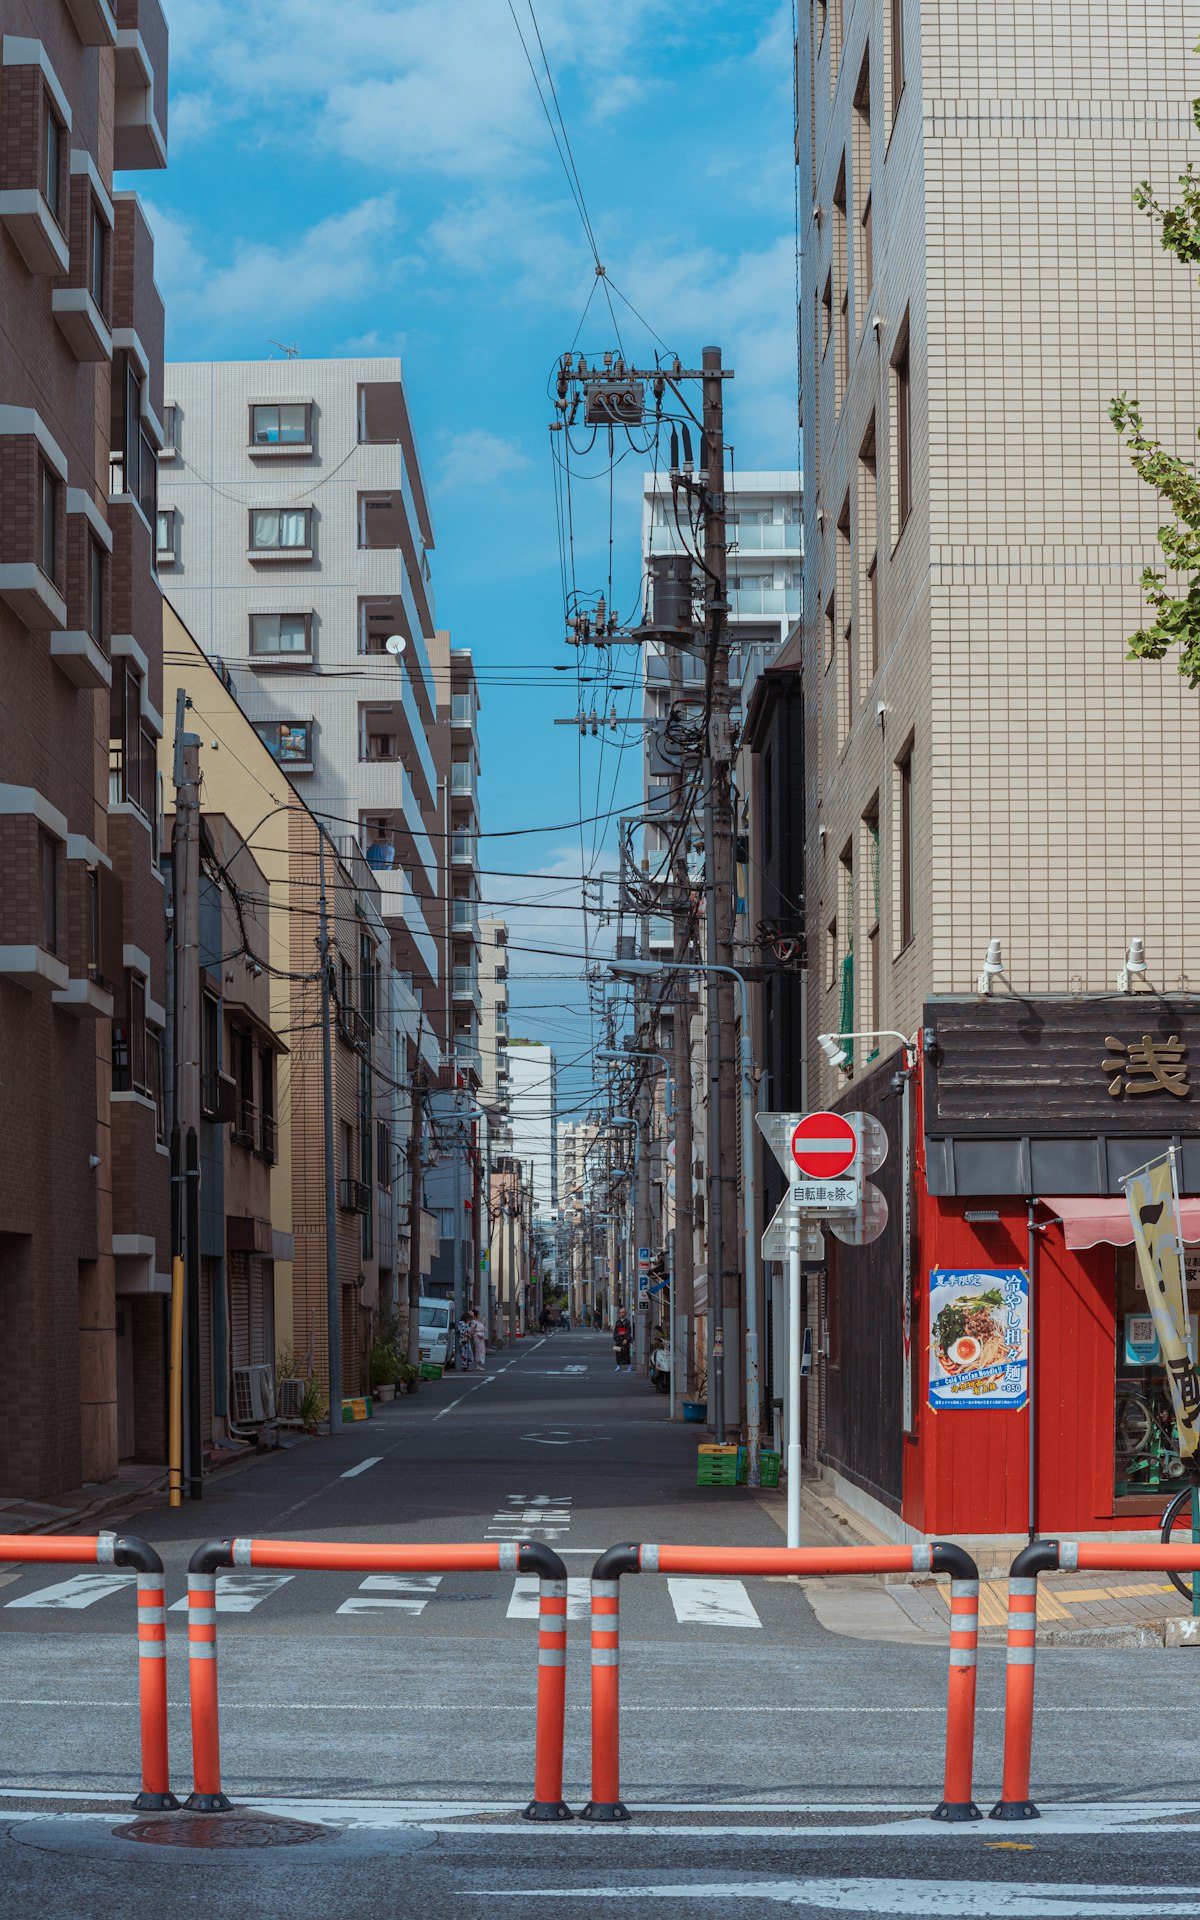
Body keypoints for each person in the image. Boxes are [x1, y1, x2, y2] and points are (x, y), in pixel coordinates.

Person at [469, 1307, 486, 1372]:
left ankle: (479, 1365)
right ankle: (478, 1365)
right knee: (478, 1350)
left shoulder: (477, 1321)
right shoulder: (473, 1322)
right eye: (478, 1314)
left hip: (480, 1336)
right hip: (477, 1336)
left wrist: (484, 1321)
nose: (479, 1315)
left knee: (481, 1350)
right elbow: (471, 1330)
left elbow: (482, 1328)